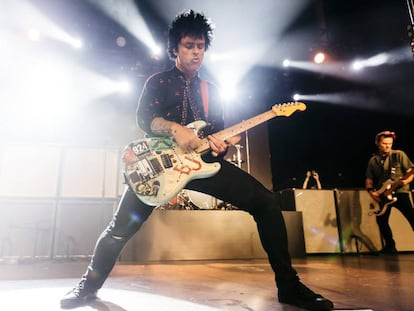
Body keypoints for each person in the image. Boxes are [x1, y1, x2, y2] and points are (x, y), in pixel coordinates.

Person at [60, 10, 333, 310]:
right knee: (118, 229)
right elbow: (145, 119)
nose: (195, 52)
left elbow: (217, 134)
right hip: (159, 167)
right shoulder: (159, 82)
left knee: (267, 203)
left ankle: (289, 287)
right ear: (175, 48)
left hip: (200, 167)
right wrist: (176, 129)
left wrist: (220, 147)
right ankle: (88, 286)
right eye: (189, 45)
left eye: (200, 46)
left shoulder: (210, 91)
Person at [365, 130, 414, 254]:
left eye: (390, 143)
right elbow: (369, 179)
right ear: (377, 143)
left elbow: (410, 172)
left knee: (412, 217)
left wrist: (405, 181)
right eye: (384, 143)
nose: (387, 146)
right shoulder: (373, 161)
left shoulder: (399, 155)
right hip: (383, 195)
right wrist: (372, 192)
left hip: (400, 192)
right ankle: (390, 246)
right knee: (381, 221)